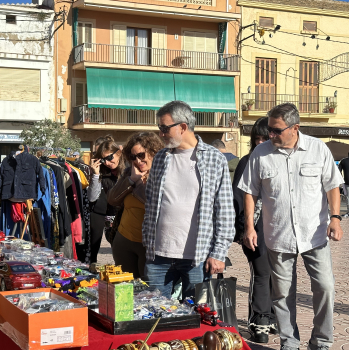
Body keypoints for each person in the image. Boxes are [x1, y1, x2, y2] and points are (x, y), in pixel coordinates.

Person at [238, 103, 343, 350]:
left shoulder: (318, 150)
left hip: (314, 234)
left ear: (295, 128)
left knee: (326, 288)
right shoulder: (260, 154)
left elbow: (332, 186)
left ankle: (321, 342)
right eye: (270, 130)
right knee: (283, 294)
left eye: (276, 130)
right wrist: (250, 227)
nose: (271, 135)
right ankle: (289, 342)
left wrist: (335, 218)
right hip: (279, 234)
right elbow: (250, 192)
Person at [143, 100, 235, 299]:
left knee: (197, 316)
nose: (161, 133)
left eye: (164, 128)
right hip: (158, 256)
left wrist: (219, 253)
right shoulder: (161, 157)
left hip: (197, 257)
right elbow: (151, 202)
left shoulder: (214, 159)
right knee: (153, 314)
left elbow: (225, 211)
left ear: (183, 127)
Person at [232, 117, 276, 343]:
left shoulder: (277, 161)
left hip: (277, 229)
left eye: (264, 138)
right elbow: (237, 200)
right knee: (262, 273)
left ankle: (271, 317)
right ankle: (258, 322)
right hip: (252, 229)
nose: (260, 143)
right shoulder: (247, 161)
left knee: (276, 275)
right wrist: (242, 230)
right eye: (255, 139)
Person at [107, 132, 164, 279]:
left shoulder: (163, 175)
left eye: (141, 155)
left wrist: (138, 184)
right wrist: (131, 180)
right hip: (123, 242)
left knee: (148, 292)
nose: (137, 161)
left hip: (149, 246)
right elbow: (113, 199)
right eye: (132, 157)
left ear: (153, 152)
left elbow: (156, 204)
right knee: (127, 290)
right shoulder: (129, 173)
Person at [83, 136, 125, 263]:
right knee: (116, 252)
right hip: (108, 216)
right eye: (103, 160)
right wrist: (95, 175)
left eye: (109, 158)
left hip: (126, 216)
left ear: (118, 153)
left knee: (123, 254)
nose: (107, 162)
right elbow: (92, 197)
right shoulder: (102, 172)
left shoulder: (129, 168)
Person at [338, 152, 349, 216]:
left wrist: (341, 181)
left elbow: (338, 171)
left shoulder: (343, 161)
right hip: (346, 183)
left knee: (347, 198)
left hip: (347, 182)